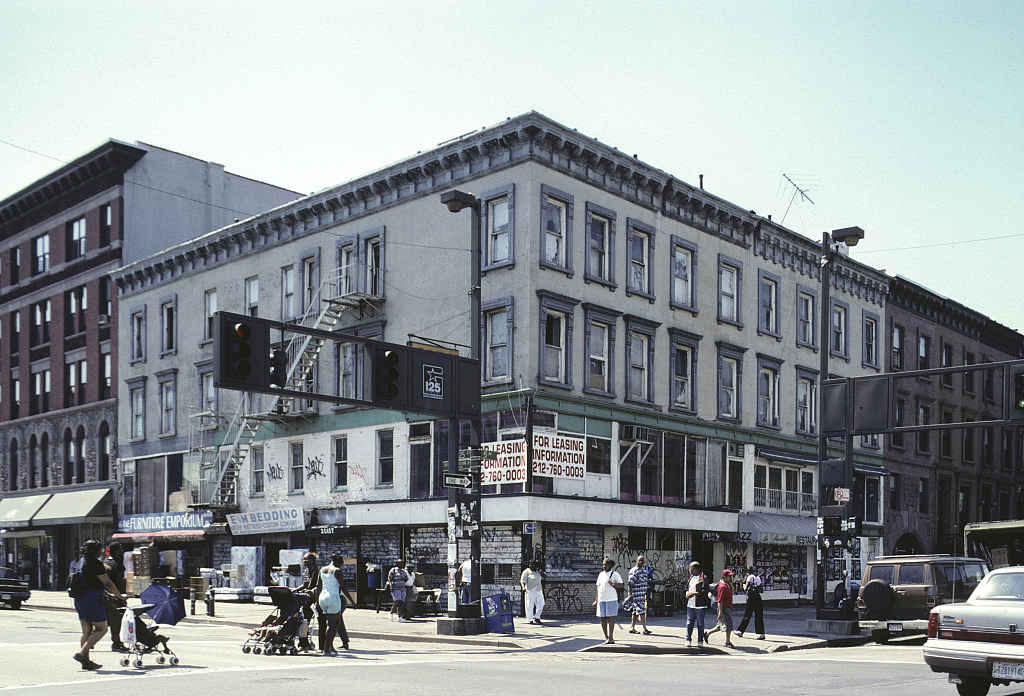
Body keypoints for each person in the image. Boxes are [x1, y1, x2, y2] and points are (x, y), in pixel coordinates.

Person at [73, 539, 127, 670]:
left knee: (86, 630)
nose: (101, 552)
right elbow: (106, 583)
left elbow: (90, 582)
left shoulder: (81, 562)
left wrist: (109, 595)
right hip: (92, 599)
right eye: (100, 549)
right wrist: (119, 595)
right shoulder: (96, 563)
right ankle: (81, 654)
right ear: (96, 550)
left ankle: (86, 661)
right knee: (102, 628)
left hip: (80, 599)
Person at [315, 553, 355, 654]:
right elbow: (343, 588)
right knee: (332, 624)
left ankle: (329, 646)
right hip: (333, 598)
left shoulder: (322, 570)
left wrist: (317, 601)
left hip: (322, 597)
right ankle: (327, 649)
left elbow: (318, 587)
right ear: (338, 563)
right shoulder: (337, 571)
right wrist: (352, 601)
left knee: (334, 622)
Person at [104, 542, 129, 652]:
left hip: (106, 595)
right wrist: (121, 595)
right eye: (120, 549)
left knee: (105, 620)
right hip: (116, 596)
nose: (122, 551)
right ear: (115, 551)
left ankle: (89, 639)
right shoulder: (117, 564)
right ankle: (116, 643)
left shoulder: (105, 562)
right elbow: (119, 581)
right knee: (116, 621)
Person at [592, 557, 623, 644]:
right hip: (602, 599)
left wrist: (612, 584)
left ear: (610, 565)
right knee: (602, 618)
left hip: (611, 599)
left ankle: (611, 637)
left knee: (610, 618)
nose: (604, 566)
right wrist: (596, 600)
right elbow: (598, 588)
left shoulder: (615, 574)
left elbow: (621, 585)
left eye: (606, 565)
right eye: (603, 565)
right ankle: (606, 637)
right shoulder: (601, 574)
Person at [295, 551, 319, 651]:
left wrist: (307, 590)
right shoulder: (306, 571)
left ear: (312, 561)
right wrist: (295, 590)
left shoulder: (316, 571)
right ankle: (303, 641)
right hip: (306, 597)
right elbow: (305, 584)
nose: (304, 561)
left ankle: (304, 642)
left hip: (312, 599)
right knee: (301, 619)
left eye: (306, 559)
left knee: (305, 620)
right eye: (303, 559)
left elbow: (313, 585)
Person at [704, 569, 735, 647]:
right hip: (724, 608)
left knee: (719, 626)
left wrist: (731, 584)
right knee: (728, 625)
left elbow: (733, 592)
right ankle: (727, 642)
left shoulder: (727, 584)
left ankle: (707, 634)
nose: (730, 577)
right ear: (724, 577)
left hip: (727, 607)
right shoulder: (722, 587)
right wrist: (720, 611)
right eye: (729, 576)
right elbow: (720, 600)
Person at [685, 560, 711, 648]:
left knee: (700, 623)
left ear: (695, 569)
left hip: (699, 605)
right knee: (689, 622)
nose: (689, 570)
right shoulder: (691, 577)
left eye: (690, 568)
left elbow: (704, 590)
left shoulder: (703, 578)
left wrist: (694, 594)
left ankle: (700, 641)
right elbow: (687, 587)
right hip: (690, 604)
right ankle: (688, 639)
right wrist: (687, 593)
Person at [735, 567, 766, 639]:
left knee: (747, 615)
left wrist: (743, 586)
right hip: (758, 598)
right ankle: (761, 634)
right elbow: (761, 590)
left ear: (748, 572)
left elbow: (746, 588)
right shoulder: (758, 578)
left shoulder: (749, 577)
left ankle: (740, 631)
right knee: (759, 616)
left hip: (751, 598)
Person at [626, 555, 652, 635]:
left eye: (642, 560)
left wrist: (646, 594)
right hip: (636, 595)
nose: (641, 562)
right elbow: (630, 584)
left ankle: (632, 627)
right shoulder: (634, 571)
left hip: (642, 594)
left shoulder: (644, 571)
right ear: (636, 561)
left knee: (635, 612)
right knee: (642, 611)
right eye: (639, 560)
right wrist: (629, 595)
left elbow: (645, 583)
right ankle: (644, 628)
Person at [520, 559, 545, 625]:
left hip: (538, 589)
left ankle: (537, 617)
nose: (531, 566)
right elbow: (522, 580)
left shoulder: (538, 571)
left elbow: (544, 577)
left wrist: (540, 571)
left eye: (532, 565)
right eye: (530, 564)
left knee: (541, 603)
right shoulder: (527, 571)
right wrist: (523, 587)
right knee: (529, 605)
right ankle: (530, 619)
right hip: (530, 590)